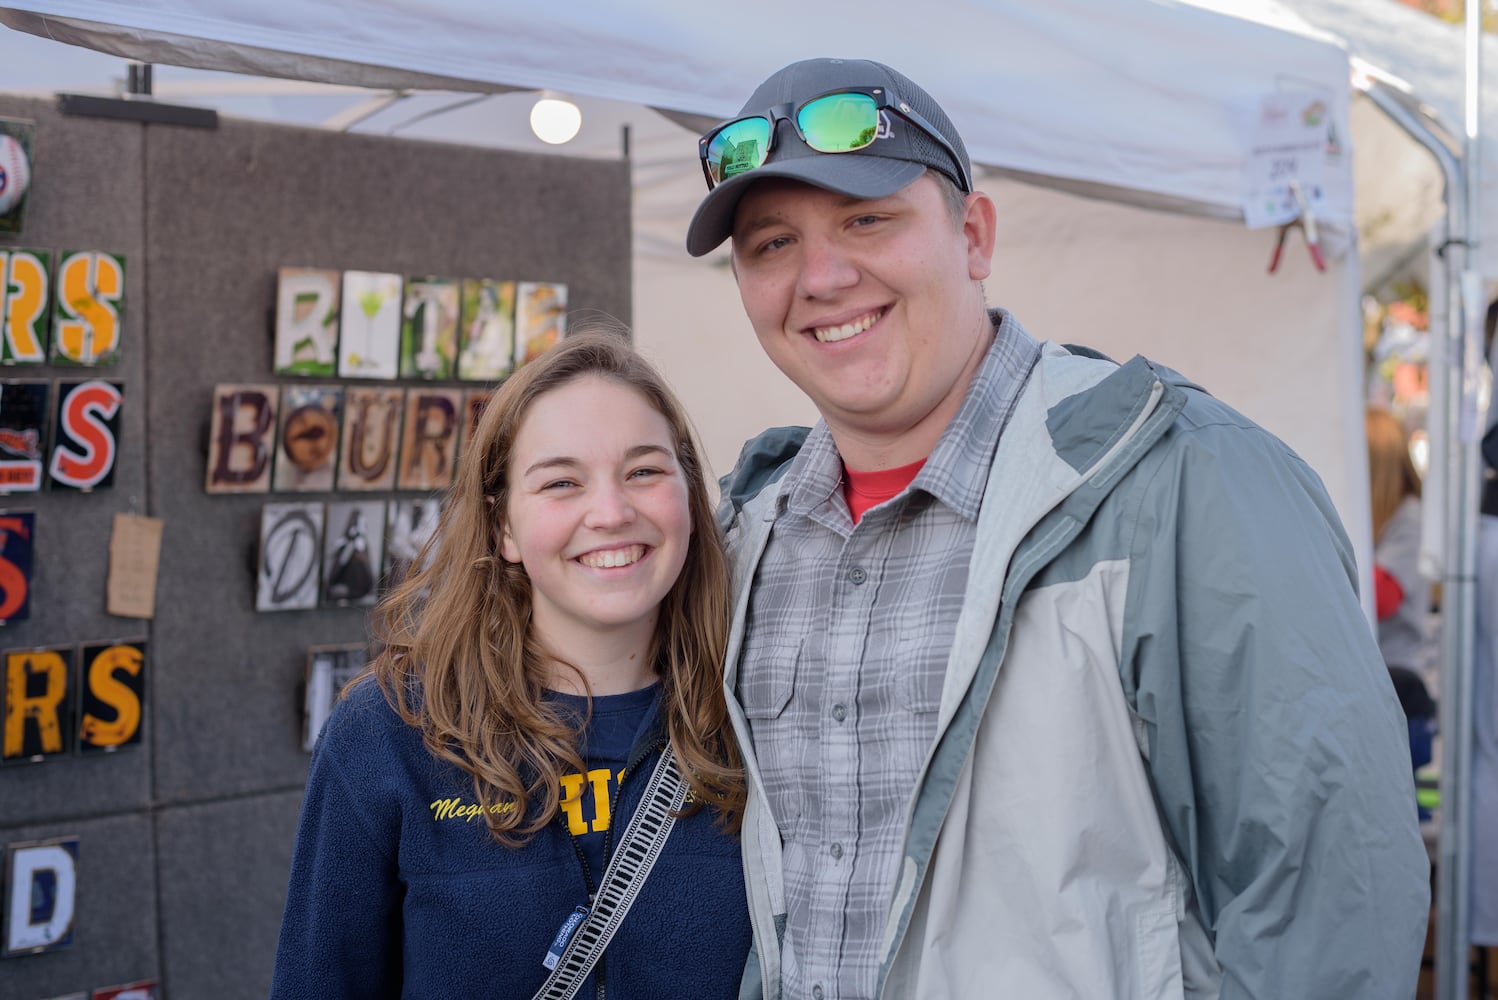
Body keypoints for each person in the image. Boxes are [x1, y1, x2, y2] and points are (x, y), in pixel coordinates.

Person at [687, 57, 1430, 999]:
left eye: (866, 219)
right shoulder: (750, 536)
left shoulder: (1186, 480)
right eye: (771, 244)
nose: (822, 276)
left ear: (975, 234)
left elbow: (1334, 905)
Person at [269, 331, 752, 997]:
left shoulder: (757, 719)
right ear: (504, 528)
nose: (611, 513)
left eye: (644, 471)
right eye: (561, 482)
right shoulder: (388, 735)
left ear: (689, 497)